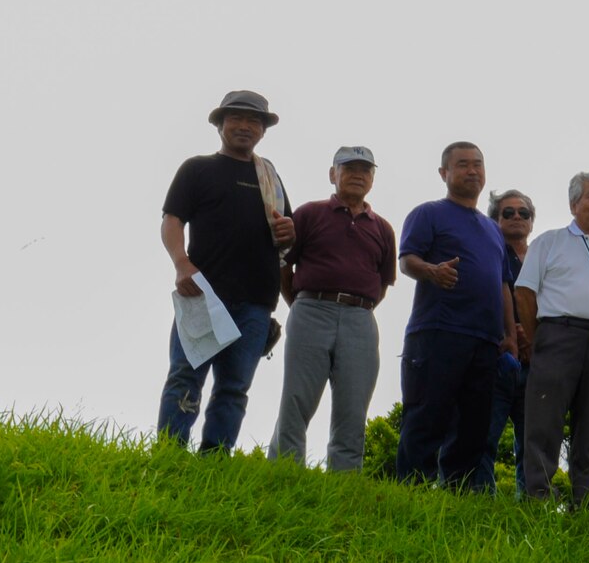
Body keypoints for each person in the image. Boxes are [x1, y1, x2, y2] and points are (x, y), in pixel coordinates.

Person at [157, 90, 294, 454]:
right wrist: (181, 264)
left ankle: (215, 461)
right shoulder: (197, 169)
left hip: (256, 302)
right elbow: (172, 220)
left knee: (234, 388)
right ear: (220, 125)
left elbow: (287, 232)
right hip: (203, 293)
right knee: (185, 377)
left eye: (254, 121)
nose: (245, 126)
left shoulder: (270, 177)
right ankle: (169, 455)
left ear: (263, 130)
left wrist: (290, 231)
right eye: (236, 118)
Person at [396, 142, 516, 487]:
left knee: (473, 429)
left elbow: (502, 284)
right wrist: (432, 271)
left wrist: (510, 335)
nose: (472, 170)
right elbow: (407, 261)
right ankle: (410, 494)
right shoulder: (428, 213)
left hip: (485, 341)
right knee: (426, 417)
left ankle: (457, 500)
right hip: (438, 331)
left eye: (478, 164)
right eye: (463, 164)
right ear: (444, 173)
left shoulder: (493, 229)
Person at [514, 172, 589, 506]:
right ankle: (537, 500)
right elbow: (524, 293)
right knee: (544, 423)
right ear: (573, 204)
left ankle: (584, 506)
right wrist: (539, 341)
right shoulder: (549, 242)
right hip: (557, 336)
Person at [269, 146, 395, 471]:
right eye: (349, 168)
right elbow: (284, 264)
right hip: (310, 309)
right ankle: (283, 473)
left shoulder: (382, 228)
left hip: (360, 318)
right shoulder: (309, 214)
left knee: (353, 407)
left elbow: (382, 283)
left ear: (372, 179)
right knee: (297, 398)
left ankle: (345, 482)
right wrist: (301, 303)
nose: (358, 175)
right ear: (332, 174)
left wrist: (357, 307)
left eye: (365, 170)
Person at [475, 188, 535, 493]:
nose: (516, 217)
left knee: (533, 444)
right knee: (484, 436)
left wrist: (534, 333)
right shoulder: (487, 253)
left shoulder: (543, 258)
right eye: (508, 212)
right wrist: (510, 330)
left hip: (536, 363)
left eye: (523, 213)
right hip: (496, 358)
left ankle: (531, 508)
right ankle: (480, 502)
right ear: (495, 219)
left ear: (531, 221)